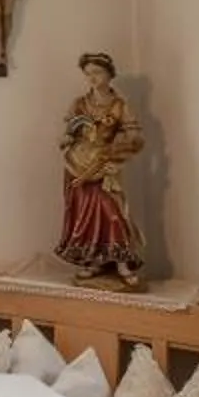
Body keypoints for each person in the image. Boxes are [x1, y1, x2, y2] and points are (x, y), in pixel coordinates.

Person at [56, 52, 147, 287]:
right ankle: (92, 260)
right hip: (78, 164)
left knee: (111, 212)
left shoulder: (119, 105)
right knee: (84, 214)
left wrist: (118, 155)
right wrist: (66, 139)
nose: (92, 78)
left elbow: (135, 138)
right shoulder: (79, 104)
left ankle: (122, 262)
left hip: (104, 165)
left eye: (97, 72)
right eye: (88, 74)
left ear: (109, 74)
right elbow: (67, 133)